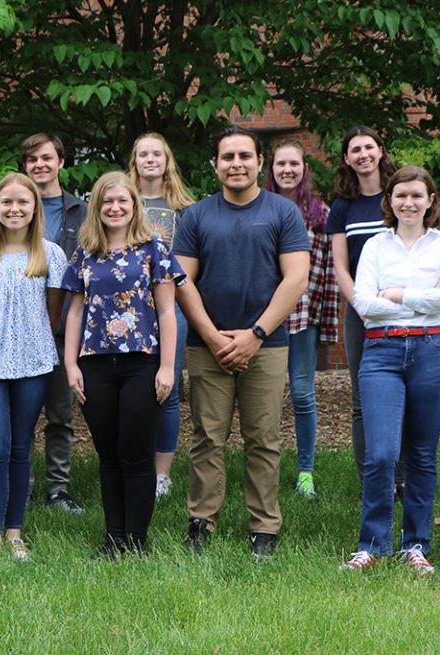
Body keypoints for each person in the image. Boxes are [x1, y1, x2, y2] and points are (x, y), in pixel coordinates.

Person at [174, 126, 310, 556]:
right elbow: (182, 280)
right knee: (207, 437)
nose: (236, 164)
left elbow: (296, 279)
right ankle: (201, 521)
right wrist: (213, 337)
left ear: (259, 163)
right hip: (206, 344)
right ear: (215, 165)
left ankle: (265, 527)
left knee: (263, 437)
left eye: (244, 156)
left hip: (266, 346)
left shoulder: (283, 212)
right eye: (227, 157)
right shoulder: (196, 215)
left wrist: (255, 335)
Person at [339, 166, 440, 574]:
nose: (408, 202)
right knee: (381, 454)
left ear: (431, 201)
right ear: (389, 202)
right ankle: (371, 545)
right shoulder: (376, 246)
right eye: (400, 196)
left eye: (416, 195)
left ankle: (415, 546)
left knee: (423, 455)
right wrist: (425, 299)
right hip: (382, 351)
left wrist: (397, 294)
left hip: (435, 350)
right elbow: (364, 303)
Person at [63, 171, 183, 557]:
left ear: (134, 206)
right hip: (95, 363)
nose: (115, 208)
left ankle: (137, 540)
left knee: (135, 451)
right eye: (107, 202)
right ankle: (113, 537)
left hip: (142, 363)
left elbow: (167, 311)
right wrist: (71, 365)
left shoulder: (154, 249)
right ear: (97, 207)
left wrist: (167, 367)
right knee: (108, 453)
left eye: (122, 201)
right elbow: (75, 312)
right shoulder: (85, 252)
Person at [0, 173, 66, 565]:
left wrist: (27, 335)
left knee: (21, 446)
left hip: (34, 358)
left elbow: (54, 312)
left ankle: (16, 532)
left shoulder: (51, 254)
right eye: (7, 203)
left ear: (35, 208)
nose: (15, 209)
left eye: (23, 202)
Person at [264, 140, 339, 499]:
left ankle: (305, 472)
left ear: (305, 167)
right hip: (263, 318)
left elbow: (324, 272)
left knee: (303, 393)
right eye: (281, 163)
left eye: (294, 163)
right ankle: (263, 467)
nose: (288, 170)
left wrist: (324, 321)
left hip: (303, 315)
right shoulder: (259, 207)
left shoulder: (319, 213)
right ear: (271, 168)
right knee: (264, 397)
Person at [326, 126, 399, 485]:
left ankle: (402, 478)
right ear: (346, 159)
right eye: (355, 149)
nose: (363, 154)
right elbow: (340, 265)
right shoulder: (342, 207)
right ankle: (371, 479)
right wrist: (362, 304)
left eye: (369, 147)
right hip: (360, 313)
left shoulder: (398, 196)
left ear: (381, 150)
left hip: (404, 309)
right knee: (361, 397)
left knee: (404, 392)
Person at [21, 133, 87, 513]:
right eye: (32, 160)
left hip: (65, 332)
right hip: (22, 328)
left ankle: (58, 489)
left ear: (61, 161)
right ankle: (24, 486)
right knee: (24, 416)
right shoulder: (14, 205)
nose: (40, 165)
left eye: (46, 158)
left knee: (61, 415)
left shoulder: (79, 211)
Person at [128, 132, 195, 499]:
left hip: (173, 307)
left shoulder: (185, 208)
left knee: (166, 388)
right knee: (134, 385)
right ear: (134, 161)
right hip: (128, 308)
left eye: (157, 154)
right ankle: (134, 462)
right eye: (143, 154)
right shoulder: (123, 200)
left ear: (167, 161)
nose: (150, 159)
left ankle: (162, 474)